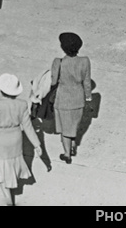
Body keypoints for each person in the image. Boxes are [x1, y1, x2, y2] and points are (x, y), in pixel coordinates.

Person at [0, 74, 44, 206]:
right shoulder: (22, 104)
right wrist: (37, 145)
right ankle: (12, 186)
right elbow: (28, 126)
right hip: (15, 139)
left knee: (1, 169)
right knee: (12, 165)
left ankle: (9, 201)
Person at [50, 31, 92, 164]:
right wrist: (88, 97)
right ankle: (73, 146)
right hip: (79, 99)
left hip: (63, 100)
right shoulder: (85, 61)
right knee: (74, 125)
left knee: (65, 129)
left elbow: (53, 82)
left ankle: (67, 153)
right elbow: (87, 81)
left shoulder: (59, 62)